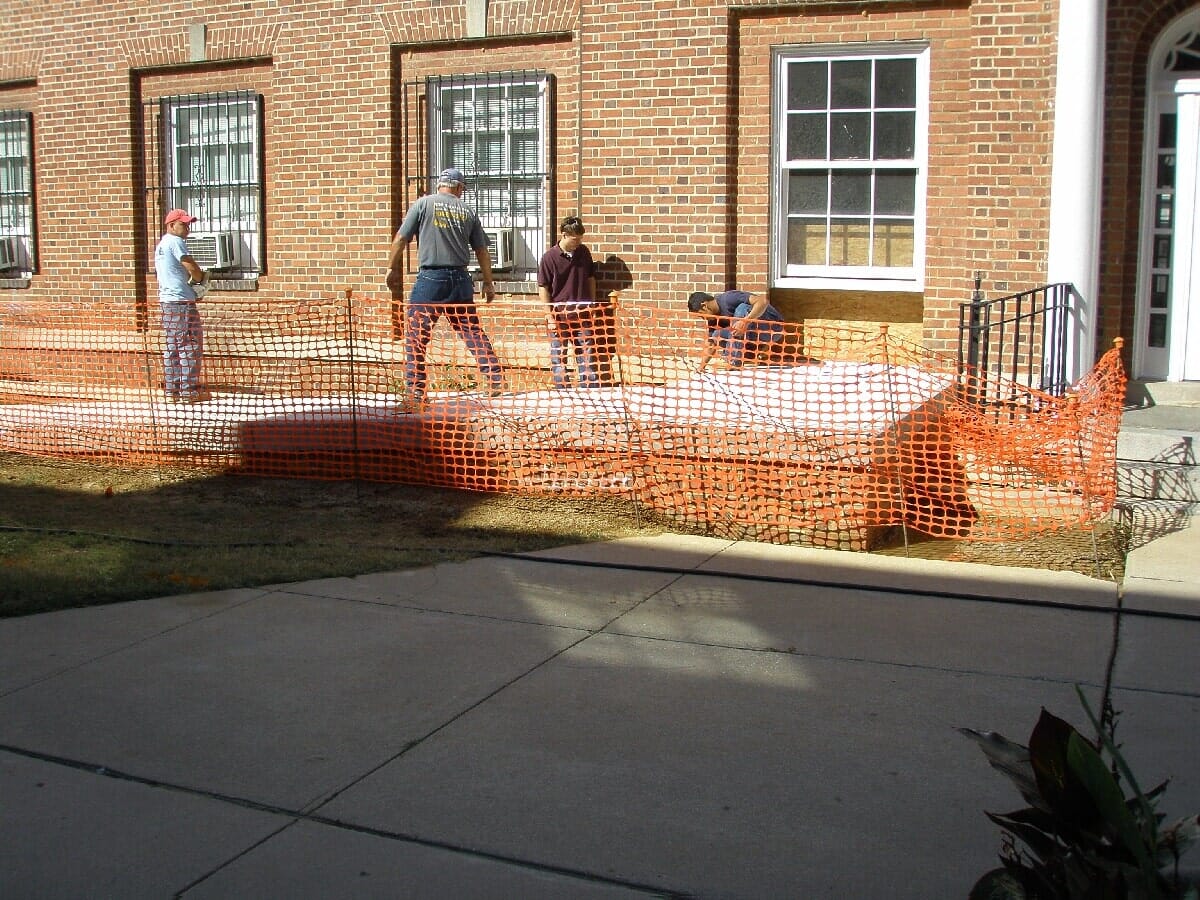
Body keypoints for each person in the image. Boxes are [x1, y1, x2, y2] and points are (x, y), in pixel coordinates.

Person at [386, 168, 503, 408]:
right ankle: (495, 379)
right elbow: (482, 250)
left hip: (431, 279)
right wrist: (488, 282)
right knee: (471, 332)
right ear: (459, 188)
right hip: (461, 279)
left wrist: (391, 268)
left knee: (416, 336)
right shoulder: (468, 211)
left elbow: (400, 239)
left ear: (441, 185)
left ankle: (416, 393)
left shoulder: (423, 204)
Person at [538, 215, 602, 389]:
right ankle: (562, 390)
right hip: (559, 315)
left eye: (580, 239)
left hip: (583, 313)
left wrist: (592, 304)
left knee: (586, 352)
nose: (578, 243)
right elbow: (543, 288)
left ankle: (589, 387)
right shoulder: (549, 258)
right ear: (564, 235)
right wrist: (549, 316)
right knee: (558, 354)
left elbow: (590, 279)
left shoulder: (584, 253)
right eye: (575, 239)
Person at [154, 208, 210, 402]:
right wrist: (200, 280)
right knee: (190, 345)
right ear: (171, 225)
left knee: (173, 346)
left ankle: (172, 391)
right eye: (184, 224)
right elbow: (191, 267)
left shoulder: (161, 245)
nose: (188, 228)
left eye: (188, 224)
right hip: (181, 303)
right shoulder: (176, 242)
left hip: (168, 302)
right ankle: (188, 391)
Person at [687, 289, 785, 372]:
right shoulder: (713, 320)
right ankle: (749, 358)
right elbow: (711, 344)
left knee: (741, 309)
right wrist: (701, 367)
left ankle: (733, 361)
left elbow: (763, 301)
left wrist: (745, 321)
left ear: (704, 306)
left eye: (701, 315)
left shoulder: (728, 298)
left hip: (774, 327)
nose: (703, 319)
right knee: (717, 335)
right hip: (756, 335)